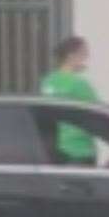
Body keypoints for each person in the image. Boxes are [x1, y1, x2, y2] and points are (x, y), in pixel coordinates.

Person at [40, 36, 99, 166]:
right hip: (80, 151)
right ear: (71, 56)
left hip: (54, 152)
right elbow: (104, 114)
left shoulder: (48, 81)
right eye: (84, 53)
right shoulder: (78, 84)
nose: (87, 58)